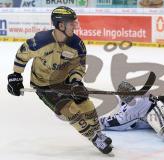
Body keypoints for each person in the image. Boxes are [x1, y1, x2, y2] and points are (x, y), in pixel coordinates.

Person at [7, 6, 113, 154]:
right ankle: (94, 138)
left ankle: (99, 133)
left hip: (65, 82)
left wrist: (76, 81)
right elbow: (22, 54)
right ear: (60, 25)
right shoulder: (41, 40)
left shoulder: (77, 44)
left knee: (85, 103)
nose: (75, 26)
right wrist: (16, 76)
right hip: (43, 85)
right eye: (71, 23)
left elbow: (79, 66)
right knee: (70, 110)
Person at [100, 81, 164, 142]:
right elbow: (118, 115)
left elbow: (119, 123)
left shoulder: (135, 104)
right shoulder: (139, 98)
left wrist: (99, 121)